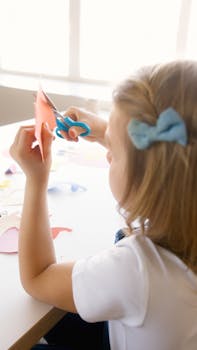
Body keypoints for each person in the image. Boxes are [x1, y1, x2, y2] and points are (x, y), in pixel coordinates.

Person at [10, 60, 197, 350]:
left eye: (115, 152)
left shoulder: (134, 269)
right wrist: (106, 133)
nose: (109, 156)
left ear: (147, 181)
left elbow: (37, 277)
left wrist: (36, 179)